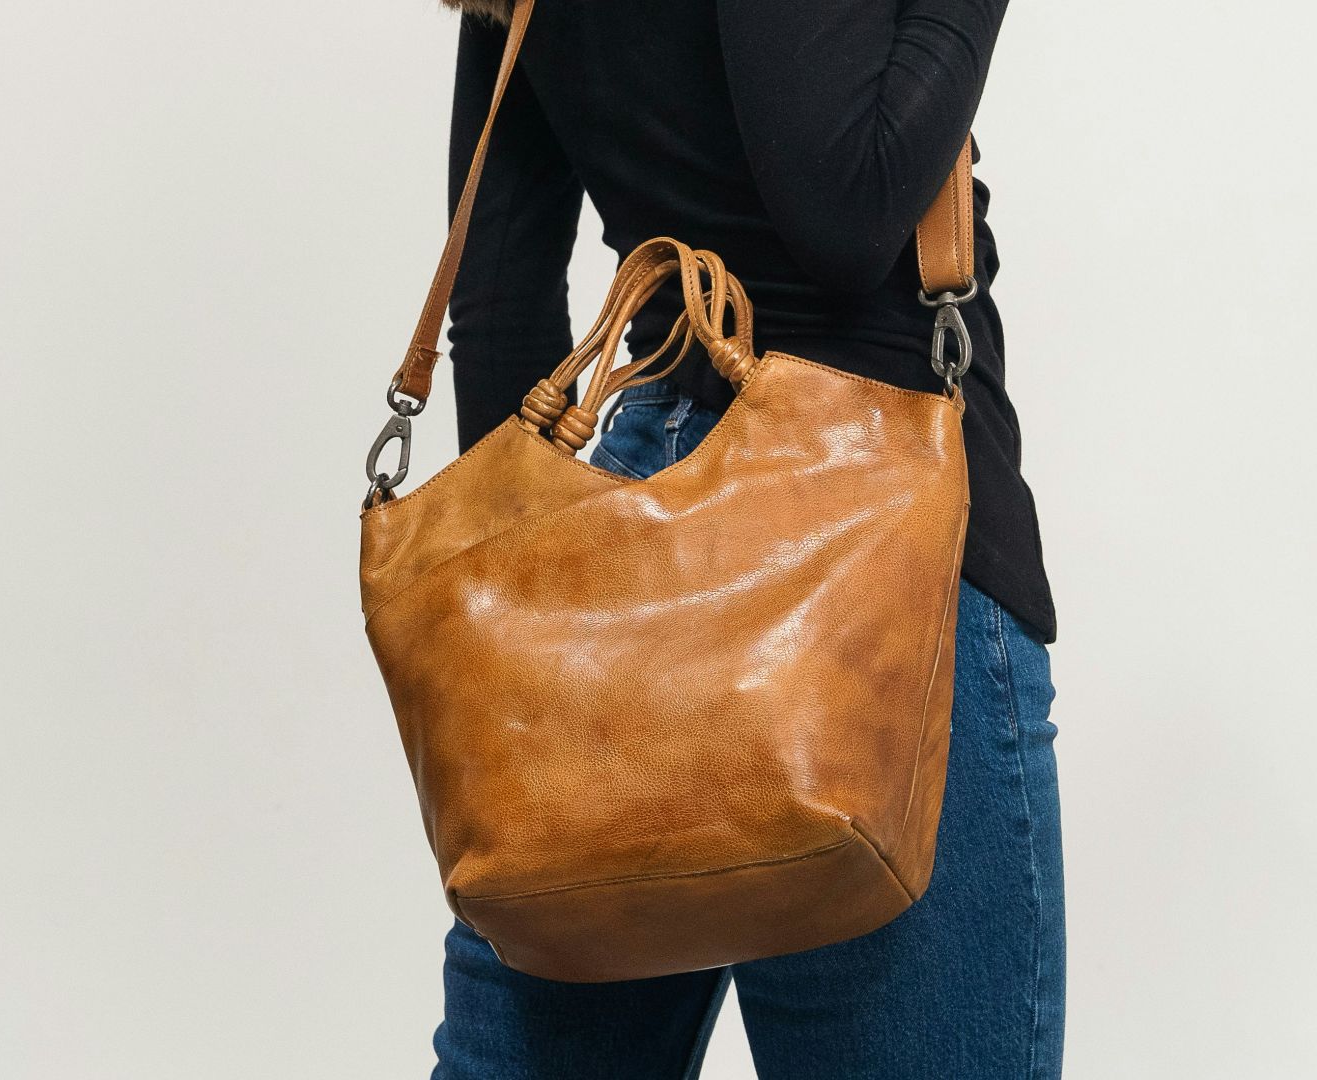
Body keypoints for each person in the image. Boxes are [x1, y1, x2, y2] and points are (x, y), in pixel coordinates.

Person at [430, 1, 1064, 1076]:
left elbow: (498, 305)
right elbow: (846, 205)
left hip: (634, 545)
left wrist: (533, 652)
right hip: (871, 538)